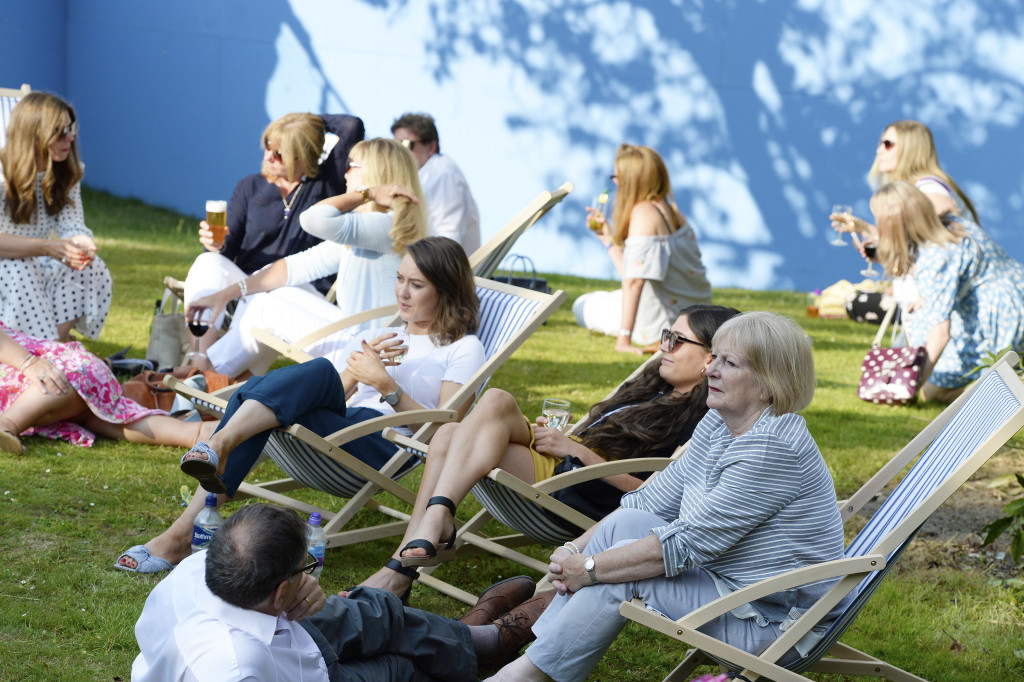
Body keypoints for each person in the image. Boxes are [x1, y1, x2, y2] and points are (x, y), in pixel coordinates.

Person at [487, 312, 850, 682]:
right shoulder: (720, 422)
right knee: (628, 525)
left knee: (623, 575)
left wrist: (592, 569)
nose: (711, 371)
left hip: (773, 621)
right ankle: (523, 649)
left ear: (769, 383)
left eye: (730, 363)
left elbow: (687, 545)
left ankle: (525, 671)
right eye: (715, 358)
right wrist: (573, 550)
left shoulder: (771, 450)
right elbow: (646, 502)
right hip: (729, 587)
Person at [116, 237, 486, 574]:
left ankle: (209, 468)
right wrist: (356, 376)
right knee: (297, 381)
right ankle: (210, 466)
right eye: (400, 279)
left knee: (268, 387)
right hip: (346, 423)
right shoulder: (389, 332)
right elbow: (335, 393)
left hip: (384, 441)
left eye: (416, 285)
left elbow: (444, 431)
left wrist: (385, 385)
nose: (402, 292)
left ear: (447, 291)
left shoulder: (464, 348)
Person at [355, 304, 740, 601]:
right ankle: (423, 538)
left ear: (710, 357)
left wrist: (578, 451)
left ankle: (405, 561)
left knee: (462, 426)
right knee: (457, 429)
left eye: (676, 340)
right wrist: (566, 441)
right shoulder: (654, 385)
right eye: (664, 336)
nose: (663, 348)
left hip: (582, 488)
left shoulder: (705, 418)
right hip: (562, 462)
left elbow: (655, 494)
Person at [131, 503, 549, 681]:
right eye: (307, 568)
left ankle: (483, 638)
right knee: (400, 668)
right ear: (279, 592)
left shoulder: (201, 567)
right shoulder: (238, 668)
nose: (311, 577)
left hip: (288, 628)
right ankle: (485, 645)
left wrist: (305, 584)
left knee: (382, 612)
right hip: (313, 676)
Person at [187, 138, 427, 379]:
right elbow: (293, 268)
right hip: (361, 340)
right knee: (276, 289)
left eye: (351, 165)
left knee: (266, 307)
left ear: (376, 174)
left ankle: (203, 378)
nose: (345, 173)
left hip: (365, 353)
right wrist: (223, 296)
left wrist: (366, 194)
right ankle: (222, 380)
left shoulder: (382, 226)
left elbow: (311, 219)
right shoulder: (377, 228)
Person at [182, 112, 364, 359]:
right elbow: (226, 254)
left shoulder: (326, 183)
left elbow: (352, 126)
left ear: (304, 154)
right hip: (249, 286)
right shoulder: (250, 187)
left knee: (272, 296)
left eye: (280, 152)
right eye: (268, 145)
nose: (268, 155)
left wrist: (304, 124)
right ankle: (200, 358)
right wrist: (216, 246)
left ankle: (214, 372)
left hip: (299, 291)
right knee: (207, 263)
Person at [866, 182, 1024, 403]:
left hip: (1000, 324)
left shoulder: (934, 256)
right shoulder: (950, 225)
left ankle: (1001, 390)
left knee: (930, 392)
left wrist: (908, 388)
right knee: (923, 319)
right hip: (1015, 300)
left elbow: (940, 334)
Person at [830, 120, 979, 336]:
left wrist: (927, 297)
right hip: (930, 304)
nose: (879, 149)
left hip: (941, 307)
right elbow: (920, 246)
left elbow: (947, 249)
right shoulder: (920, 189)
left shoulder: (930, 191)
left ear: (912, 148)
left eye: (888, 143)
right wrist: (866, 230)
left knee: (857, 303)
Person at [573, 144, 712, 354]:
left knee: (581, 304)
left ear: (632, 180)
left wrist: (624, 340)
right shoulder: (671, 211)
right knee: (609, 296)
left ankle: (625, 332)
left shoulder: (643, 213)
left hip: (662, 324)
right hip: (696, 315)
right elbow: (634, 273)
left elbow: (634, 283)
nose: (615, 182)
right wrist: (608, 240)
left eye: (617, 176)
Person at [0, 321, 215, 455]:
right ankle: (198, 433)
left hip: (65, 371)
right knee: (111, 416)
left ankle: (7, 424)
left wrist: (28, 363)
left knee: (60, 385)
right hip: (72, 384)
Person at [0, 91, 112, 341]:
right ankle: (35, 352)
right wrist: (48, 247)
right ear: (33, 133)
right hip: (8, 263)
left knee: (86, 267)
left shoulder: (64, 173)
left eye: (71, 129)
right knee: (20, 269)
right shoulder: (2, 175)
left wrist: (80, 240)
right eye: (60, 132)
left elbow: (71, 222)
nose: (70, 138)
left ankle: (51, 348)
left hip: (37, 258)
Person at [391, 112, 481, 254]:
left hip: (442, 269)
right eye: (395, 146)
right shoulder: (420, 174)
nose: (400, 153)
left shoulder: (443, 172)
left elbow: (447, 237)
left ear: (431, 147)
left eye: (407, 144)